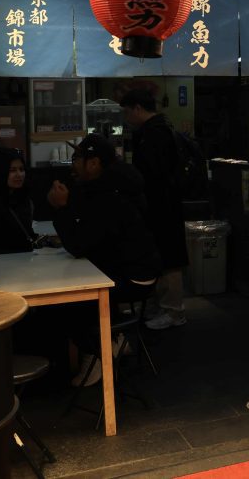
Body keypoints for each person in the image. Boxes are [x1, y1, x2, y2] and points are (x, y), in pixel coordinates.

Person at [47, 134, 162, 386]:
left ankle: (99, 352)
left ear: (94, 163)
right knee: (76, 287)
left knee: (69, 301)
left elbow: (79, 245)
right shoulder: (108, 187)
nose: (72, 163)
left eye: (77, 158)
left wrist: (62, 209)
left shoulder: (110, 195)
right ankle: (115, 338)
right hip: (130, 268)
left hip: (135, 278)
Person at [119, 88, 188, 330]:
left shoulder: (155, 133)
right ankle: (163, 307)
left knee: (169, 257)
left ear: (138, 108)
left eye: (127, 113)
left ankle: (174, 311)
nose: (127, 119)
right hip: (161, 203)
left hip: (163, 205)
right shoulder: (157, 130)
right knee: (162, 255)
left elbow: (155, 175)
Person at [0, 147, 38, 254]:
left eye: (21, 169)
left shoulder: (23, 198)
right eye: (12, 170)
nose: (19, 175)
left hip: (23, 261)